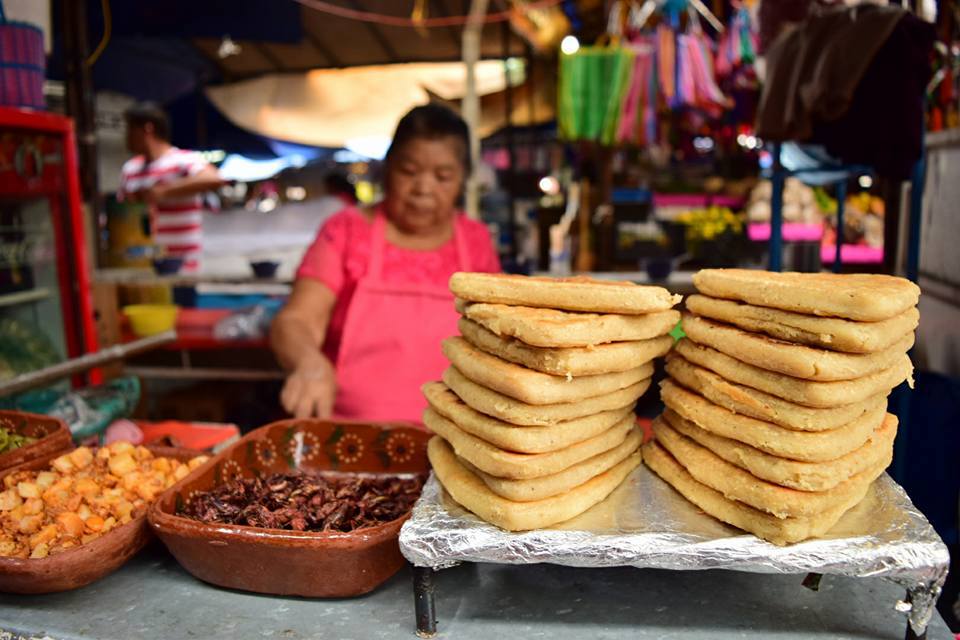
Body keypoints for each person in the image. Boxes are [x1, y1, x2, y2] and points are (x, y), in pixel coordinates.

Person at [271, 104, 501, 422]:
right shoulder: (345, 231)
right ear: (387, 168)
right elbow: (296, 321)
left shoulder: (475, 241)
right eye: (409, 172)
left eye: (442, 176)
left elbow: (495, 337)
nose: (423, 188)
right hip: (349, 434)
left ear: (462, 180)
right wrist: (308, 362)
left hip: (452, 438)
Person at [119, 102, 224, 273]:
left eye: (130, 130)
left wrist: (164, 192)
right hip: (141, 267)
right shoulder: (129, 170)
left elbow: (215, 178)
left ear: (147, 129)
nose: (126, 137)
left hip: (184, 268)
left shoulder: (184, 160)